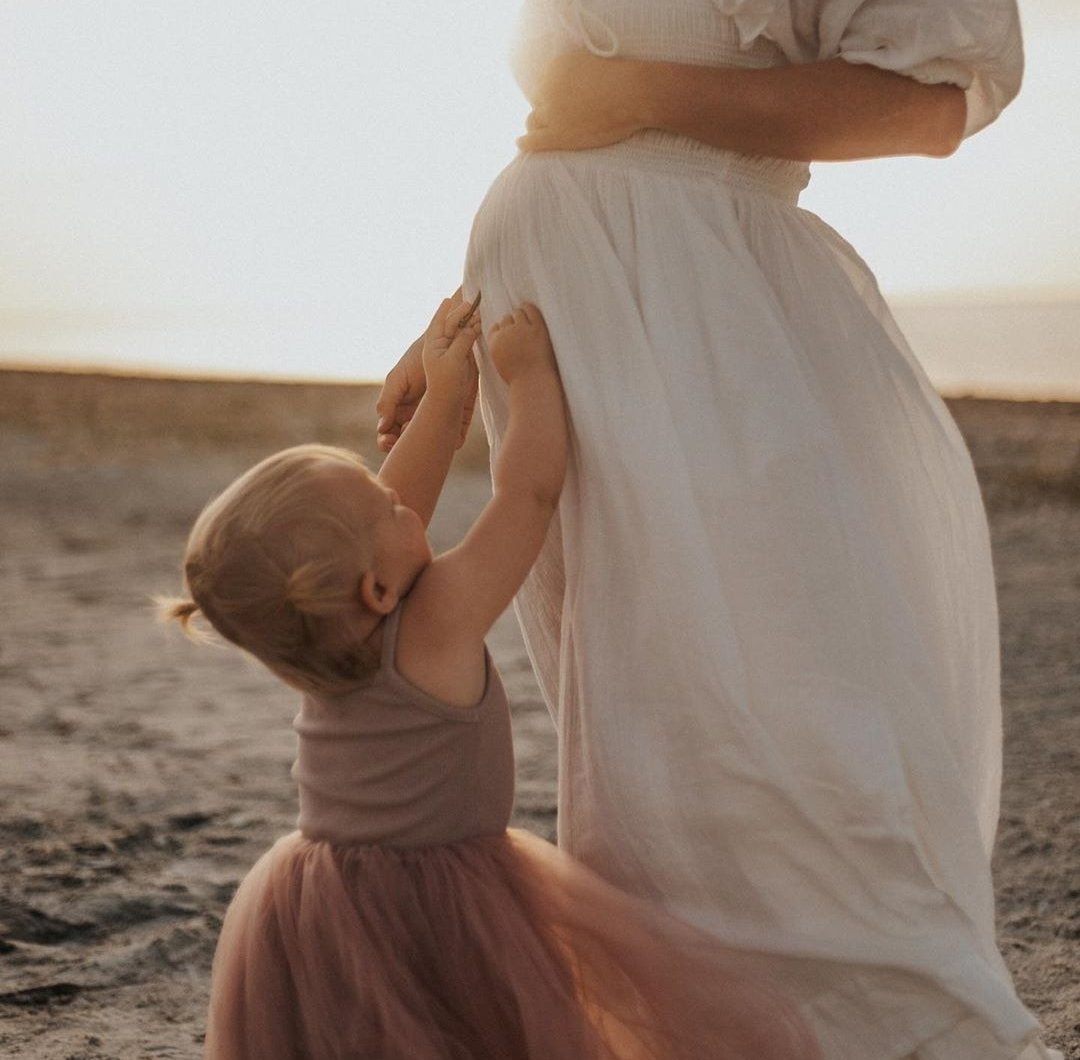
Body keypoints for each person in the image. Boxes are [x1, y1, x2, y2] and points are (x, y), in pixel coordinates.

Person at [376, 3, 1062, 1058]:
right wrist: (461, 315)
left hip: (699, 311)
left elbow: (930, 104)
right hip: (572, 316)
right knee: (642, 731)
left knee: (783, 712)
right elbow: (571, 140)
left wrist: (644, 94)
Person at [162, 294, 820, 1060]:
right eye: (389, 509)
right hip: (445, 906)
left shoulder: (323, 642)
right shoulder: (436, 618)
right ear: (376, 589)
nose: (406, 504)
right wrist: (530, 378)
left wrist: (448, 392)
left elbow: (399, 505)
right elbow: (527, 496)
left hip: (326, 902)